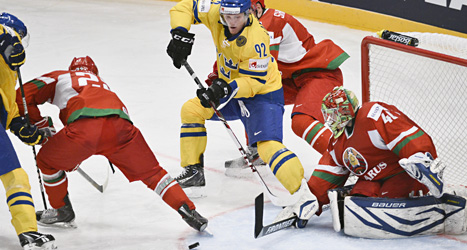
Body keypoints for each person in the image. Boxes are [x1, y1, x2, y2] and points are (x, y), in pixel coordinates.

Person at [15, 56, 208, 233]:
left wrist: (40, 125)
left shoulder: (61, 76)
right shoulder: (101, 84)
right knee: (153, 173)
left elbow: (21, 96)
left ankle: (61, 210)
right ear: (95, 73)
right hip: (121, 127)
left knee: (47, 161)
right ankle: (189, 211)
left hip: (85, 129)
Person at [166, 0, 317, 223]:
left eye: (238, 17)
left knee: (267, 147)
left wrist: (224, 89)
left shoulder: (257, 39)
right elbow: (183, 7)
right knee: (192, 110)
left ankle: (303, 195)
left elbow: (253, 82)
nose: (232, 22)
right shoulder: (218, 13)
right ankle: (194, 173)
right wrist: (179, 34)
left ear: (248, 13)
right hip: (230, 91)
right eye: (228, 17)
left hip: (262, 95)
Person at [275, 86, 463, 237]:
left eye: (332, 114)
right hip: (372, 179)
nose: (329, 120)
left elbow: (403, 132)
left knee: (389, 197)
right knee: (357, 199)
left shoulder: (371, 115)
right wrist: (311, 200)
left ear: (344, 110)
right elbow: (328, 174)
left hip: (401, 173)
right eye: (327, 115)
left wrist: (419, 156)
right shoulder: (336, 144)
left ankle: (434, 197)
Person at [208, 0, 349, 169]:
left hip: (317, 75)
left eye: (242, 14)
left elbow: (258, 72)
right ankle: (256, 149)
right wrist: (214, 79)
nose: (235, 21)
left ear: (257, 9)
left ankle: (347, 160)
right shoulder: (245, 27)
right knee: (248, 97)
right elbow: (231, 58)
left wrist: (223, 88)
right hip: (291, 79)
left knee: (301, 121)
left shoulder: (267, 25)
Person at [0, 12, 57, 250]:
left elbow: (5, 102)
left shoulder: (6, 67)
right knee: (15, 177)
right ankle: (29, 233)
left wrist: (18, 125)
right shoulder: (5, 37)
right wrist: (5, 37)